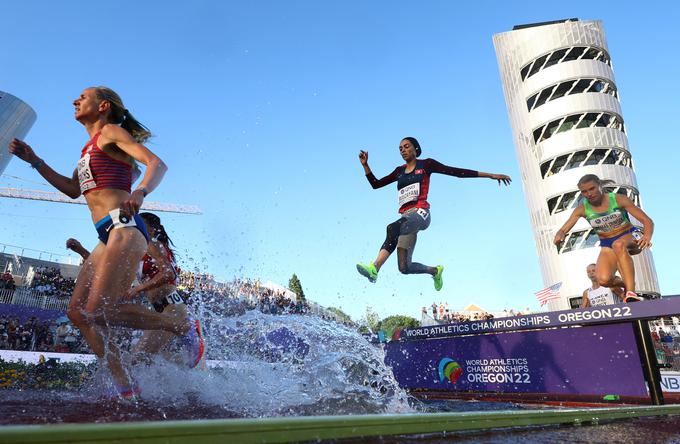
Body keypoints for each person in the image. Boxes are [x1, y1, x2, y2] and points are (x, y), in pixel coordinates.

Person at [9, 86, 204, 399]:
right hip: (106, 233)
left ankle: (181, 328)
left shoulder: (111, 132)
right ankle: (125, 383)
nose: (74, 100)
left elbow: (157, 164)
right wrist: (35, 161)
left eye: (82, 96)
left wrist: (140, 192)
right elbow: (73, 189)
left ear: (102, 106)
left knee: (99, 311)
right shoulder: (87, 149)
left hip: (125, 226)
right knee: (77, 312)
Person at [356, 137, 511, 290]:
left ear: (415, 149)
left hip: (421, 214)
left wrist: (490, 175)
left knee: (392, 228)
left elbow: (456, 172)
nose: (403, 150)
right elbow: (376, 184)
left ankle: (375, 268)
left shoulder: (426, 164)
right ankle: (435, 271)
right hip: (406, 220)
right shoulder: (399, 171)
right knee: (404, 267)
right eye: (400, 148)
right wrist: (365, 165)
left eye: (407, 146)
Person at [67, 212, 191, 364]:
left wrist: (137, 289)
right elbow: (106, 269)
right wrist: (81, 251)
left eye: (139, 226)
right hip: (162, 310)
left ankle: (188, 331)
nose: (133, 230)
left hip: (172, 307)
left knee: (137, 360)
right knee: (148, 360)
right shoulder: (139, 250)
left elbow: (168, 273)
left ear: (151, 230)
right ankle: (189, 369)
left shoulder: (152, 244)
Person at [554, 174, 653, 303]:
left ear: (600, 186)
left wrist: (646, 236)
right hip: (607, 244)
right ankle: (627, 285)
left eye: (592, 189)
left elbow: (647, 221)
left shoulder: (618, 199)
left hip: (630, 236)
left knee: (618, 245)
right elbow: (564, 228)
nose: (589, 194)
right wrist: (560, 234)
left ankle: (631, 292)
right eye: (584, 192)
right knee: (603, 280)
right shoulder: (582, 209)